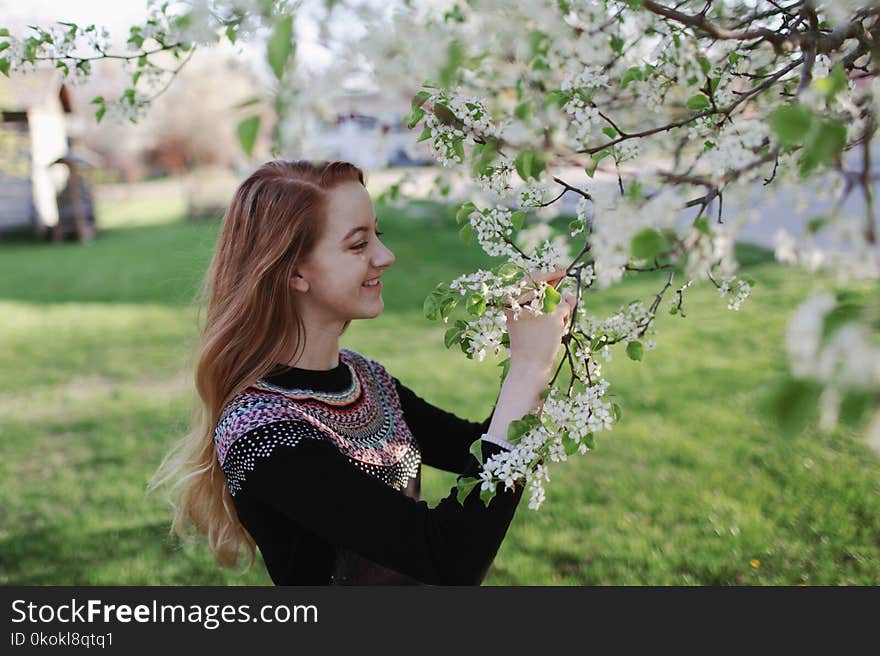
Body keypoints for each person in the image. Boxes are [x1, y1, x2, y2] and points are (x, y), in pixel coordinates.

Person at [149, 159, 574, 585]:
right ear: (293, 270)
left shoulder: (364, 378)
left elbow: (480, 449)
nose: (385, 256)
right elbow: (448, 557)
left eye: (378, 235)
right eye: (357, 244)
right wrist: (527, 366)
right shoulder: (261, 434)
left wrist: (540, 347)